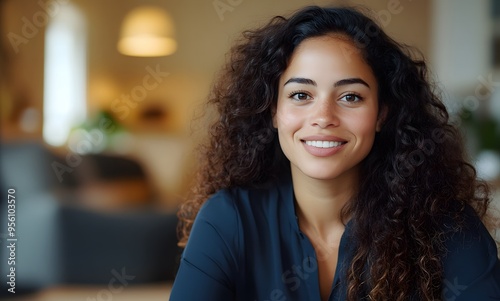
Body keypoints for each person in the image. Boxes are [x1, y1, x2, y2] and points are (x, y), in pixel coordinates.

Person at [170, 5, 500, 301]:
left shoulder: (447, 225)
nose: (324, 117)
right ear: (272, 110)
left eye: (350, 97)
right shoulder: (228, 220)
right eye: (301, 94)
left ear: (382, 113)